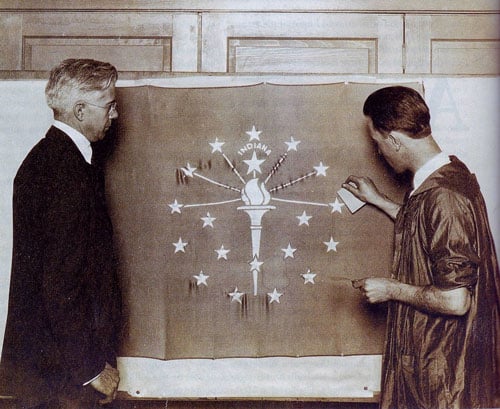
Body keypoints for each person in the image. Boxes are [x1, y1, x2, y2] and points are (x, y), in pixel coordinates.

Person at [343, 86, 499, 409]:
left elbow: (457, 300)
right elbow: (428, 231)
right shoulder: (448, 177)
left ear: (396, 140)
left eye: (378, 143)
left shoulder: (445, 197)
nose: (379, 153)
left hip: (444, 382)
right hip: (434, 370)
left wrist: (391, 289)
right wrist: (378, 200)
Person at [0, 59, 122, 408]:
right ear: (80, 110)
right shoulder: (65, 173)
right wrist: (90, 368)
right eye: (109, 106)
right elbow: (61, 283)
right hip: (61, 375)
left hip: (55, 365)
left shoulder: (57, 160)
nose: (114, 115)